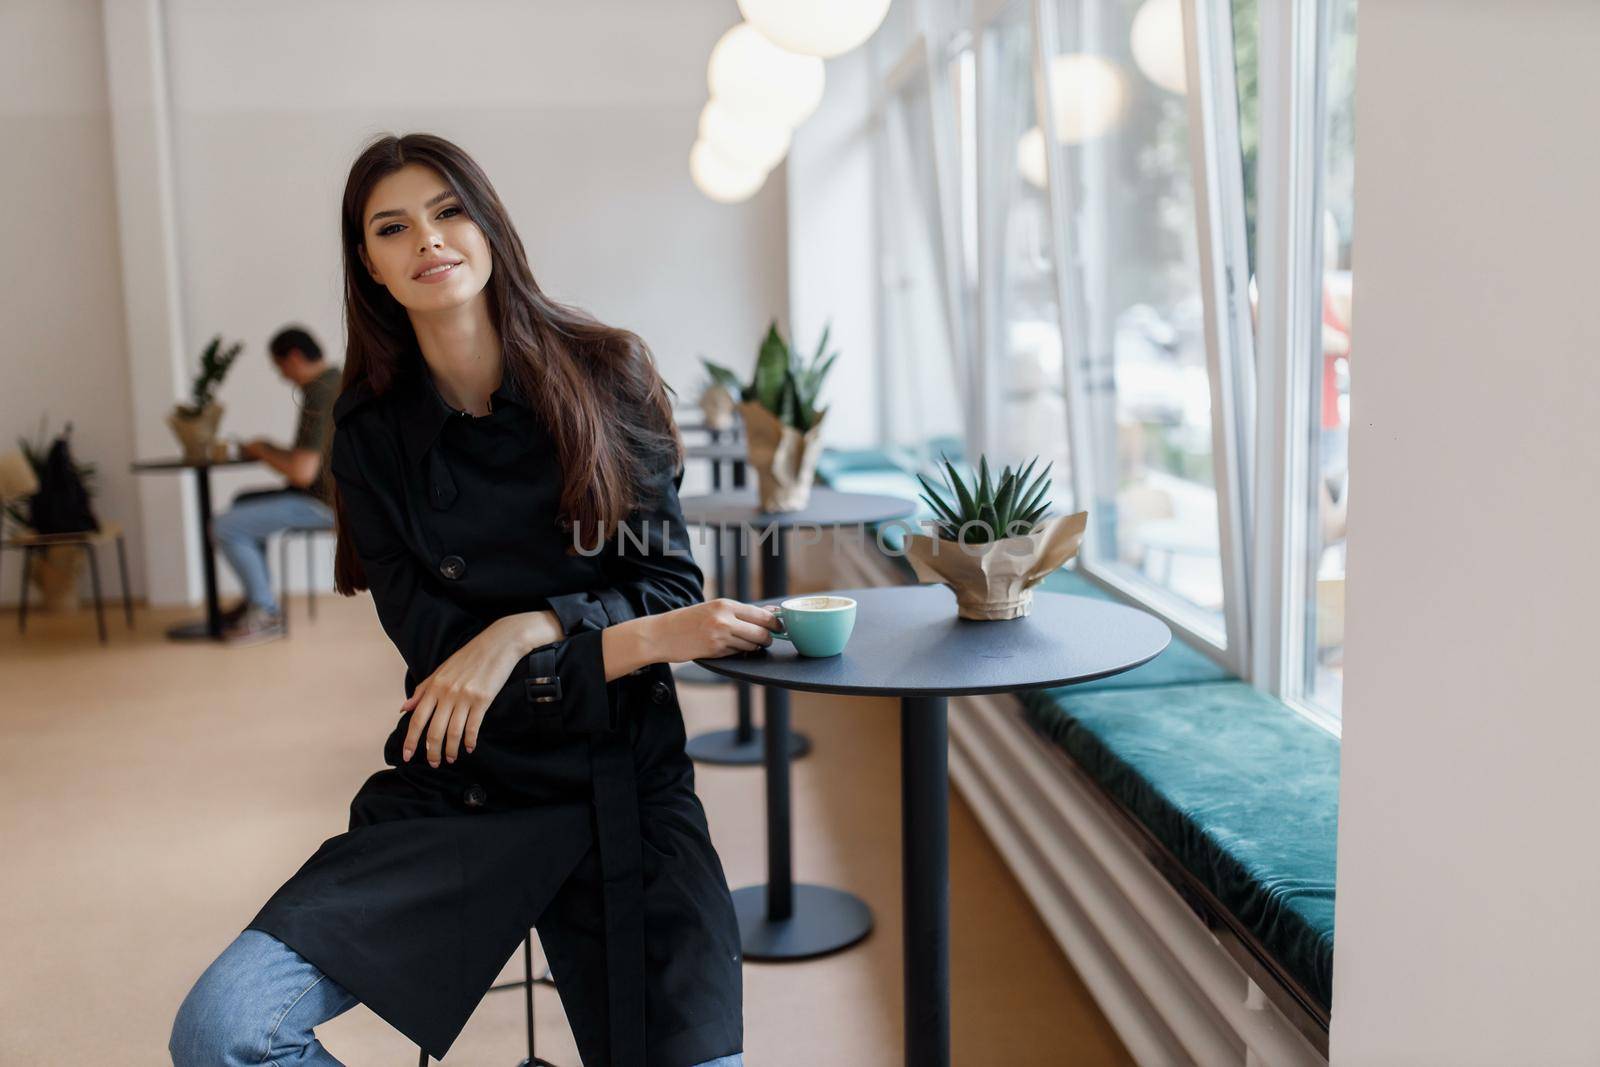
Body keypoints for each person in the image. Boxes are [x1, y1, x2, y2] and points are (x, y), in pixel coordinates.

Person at [169, 133, 773, 1065]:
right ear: (368, 264)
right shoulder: (367, 435)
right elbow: (442, 649)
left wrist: (527, 626)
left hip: (627, 784)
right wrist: (613, 637)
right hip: (468, 783)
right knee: (224, 1028)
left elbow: (668, 586)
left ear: (488, 227)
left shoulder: (606, 372)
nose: (430, 238)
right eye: (393, 226)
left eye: (449, 210)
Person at [212, 326, 341, 645]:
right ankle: (257, 598)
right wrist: (267, 448)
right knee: (243, 502)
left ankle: (265, 612)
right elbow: (309, 461)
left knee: (225, 526)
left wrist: (261, 450)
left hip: (328, 504)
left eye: (280, 367)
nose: (282, 376)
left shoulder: (320, 392)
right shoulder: (335, 380)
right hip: (332, 495)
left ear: (294, 358)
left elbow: (301, 472)